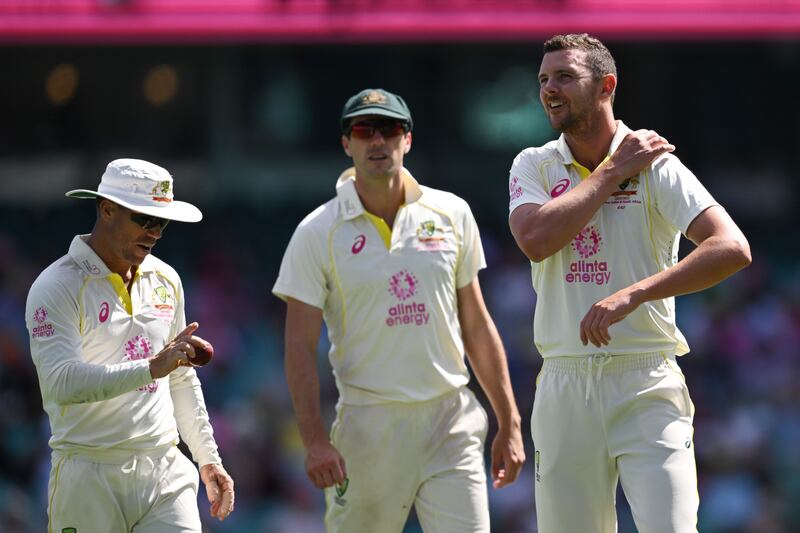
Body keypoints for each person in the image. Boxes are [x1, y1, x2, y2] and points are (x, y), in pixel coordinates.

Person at [508, 34, 752, 532]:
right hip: (564, 381)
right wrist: (616, 169)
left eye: (564, 77)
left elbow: (732, 248)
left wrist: (636, 292)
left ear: (606, 86)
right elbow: (535, 239)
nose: (549, 89)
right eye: (543, 80)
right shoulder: (534, 164)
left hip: (646, 380)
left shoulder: (657, 163)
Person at [273, 88, 525, 532]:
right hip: (368, 428)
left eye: (389, 129)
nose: (377, 141)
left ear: (407, 139)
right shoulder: (316, 232)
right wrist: (313, 440)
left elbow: (477, 324)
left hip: (451, 420)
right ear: (346, 144)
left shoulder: (452, 213)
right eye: (364, 130)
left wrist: (510, 419)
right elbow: (298, 346)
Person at [25, 159, 235, 532]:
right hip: (88, 474)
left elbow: (181, 380)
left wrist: (208, 458)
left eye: (162, 222)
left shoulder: (166, 278)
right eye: (145, 219)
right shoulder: (55, 286)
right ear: (107, 209)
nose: (155, 232)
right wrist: (151, 368)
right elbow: (60, 383)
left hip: (163, 469)